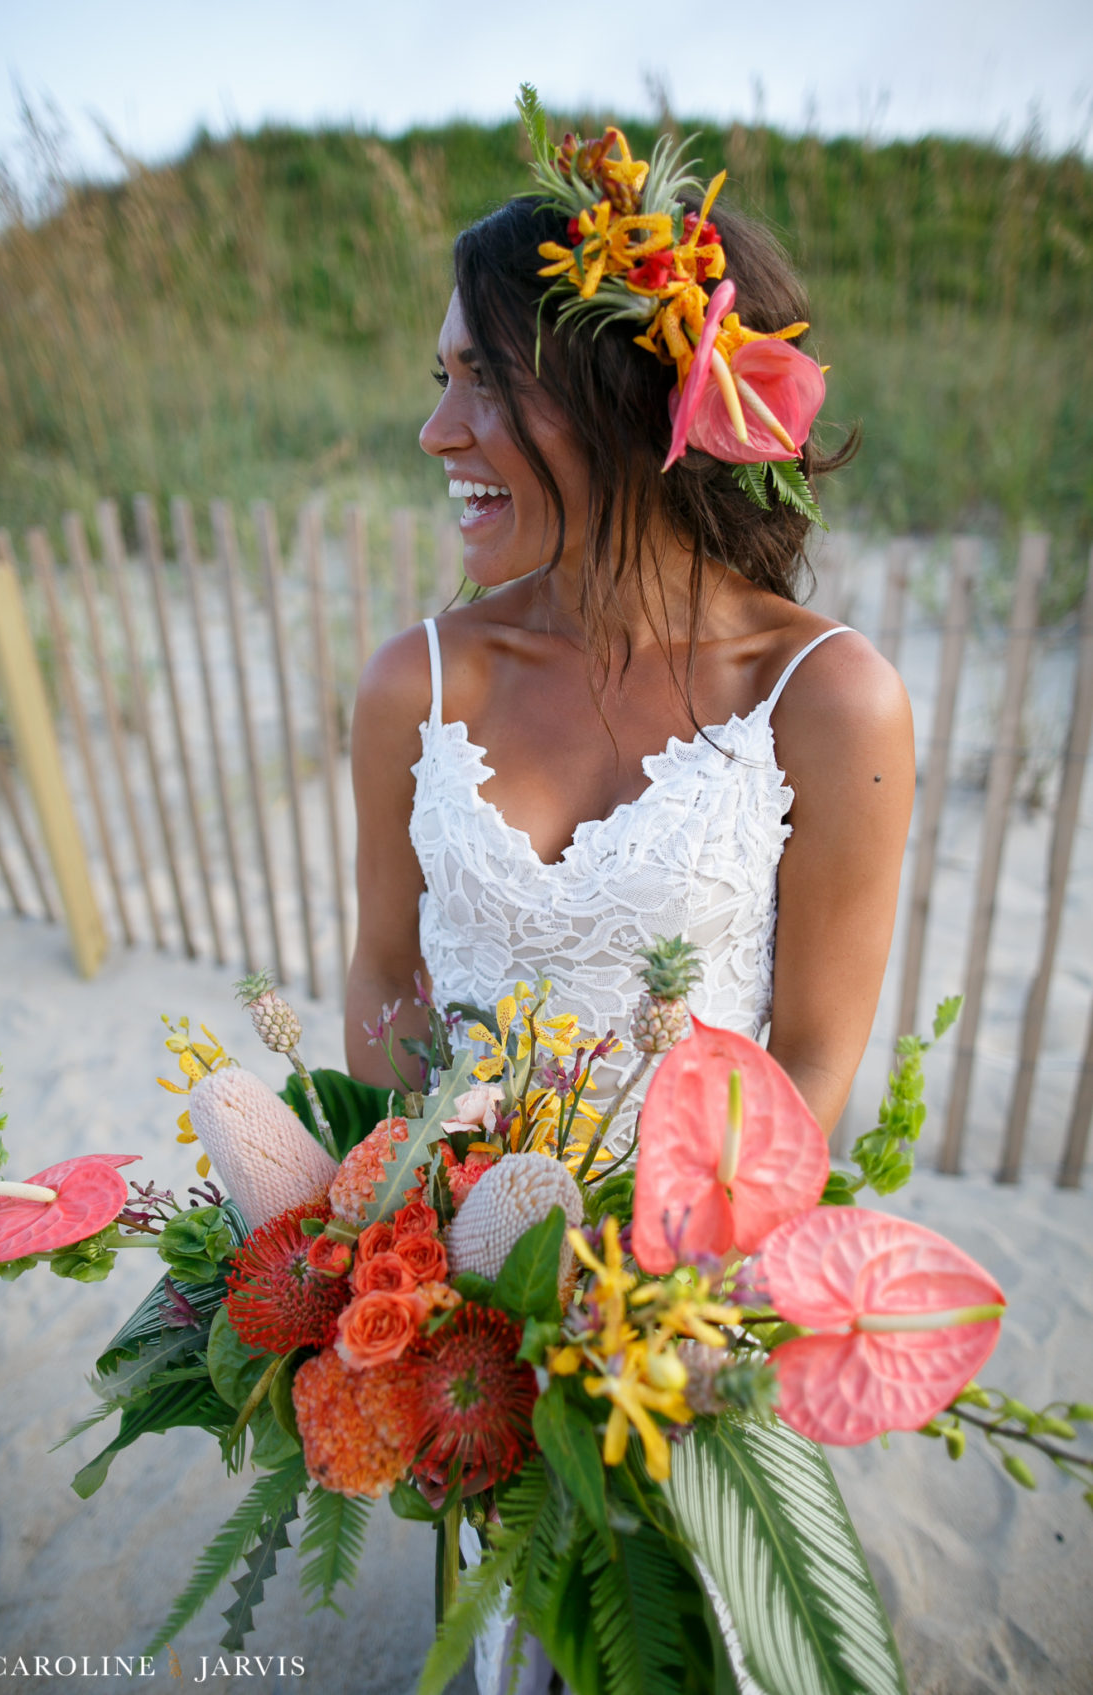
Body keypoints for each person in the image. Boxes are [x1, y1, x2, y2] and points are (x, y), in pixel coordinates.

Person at [343, 118, 913, 1150]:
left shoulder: (825, 698)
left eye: (486, 378)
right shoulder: (415, 682)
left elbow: (814, 1055)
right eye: (442, 379)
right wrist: (412, 1233)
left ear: (623, 400)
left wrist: (655, 1292)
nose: (436, 431)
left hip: (678, 1281)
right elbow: (387, 975)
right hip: (438, 1268)